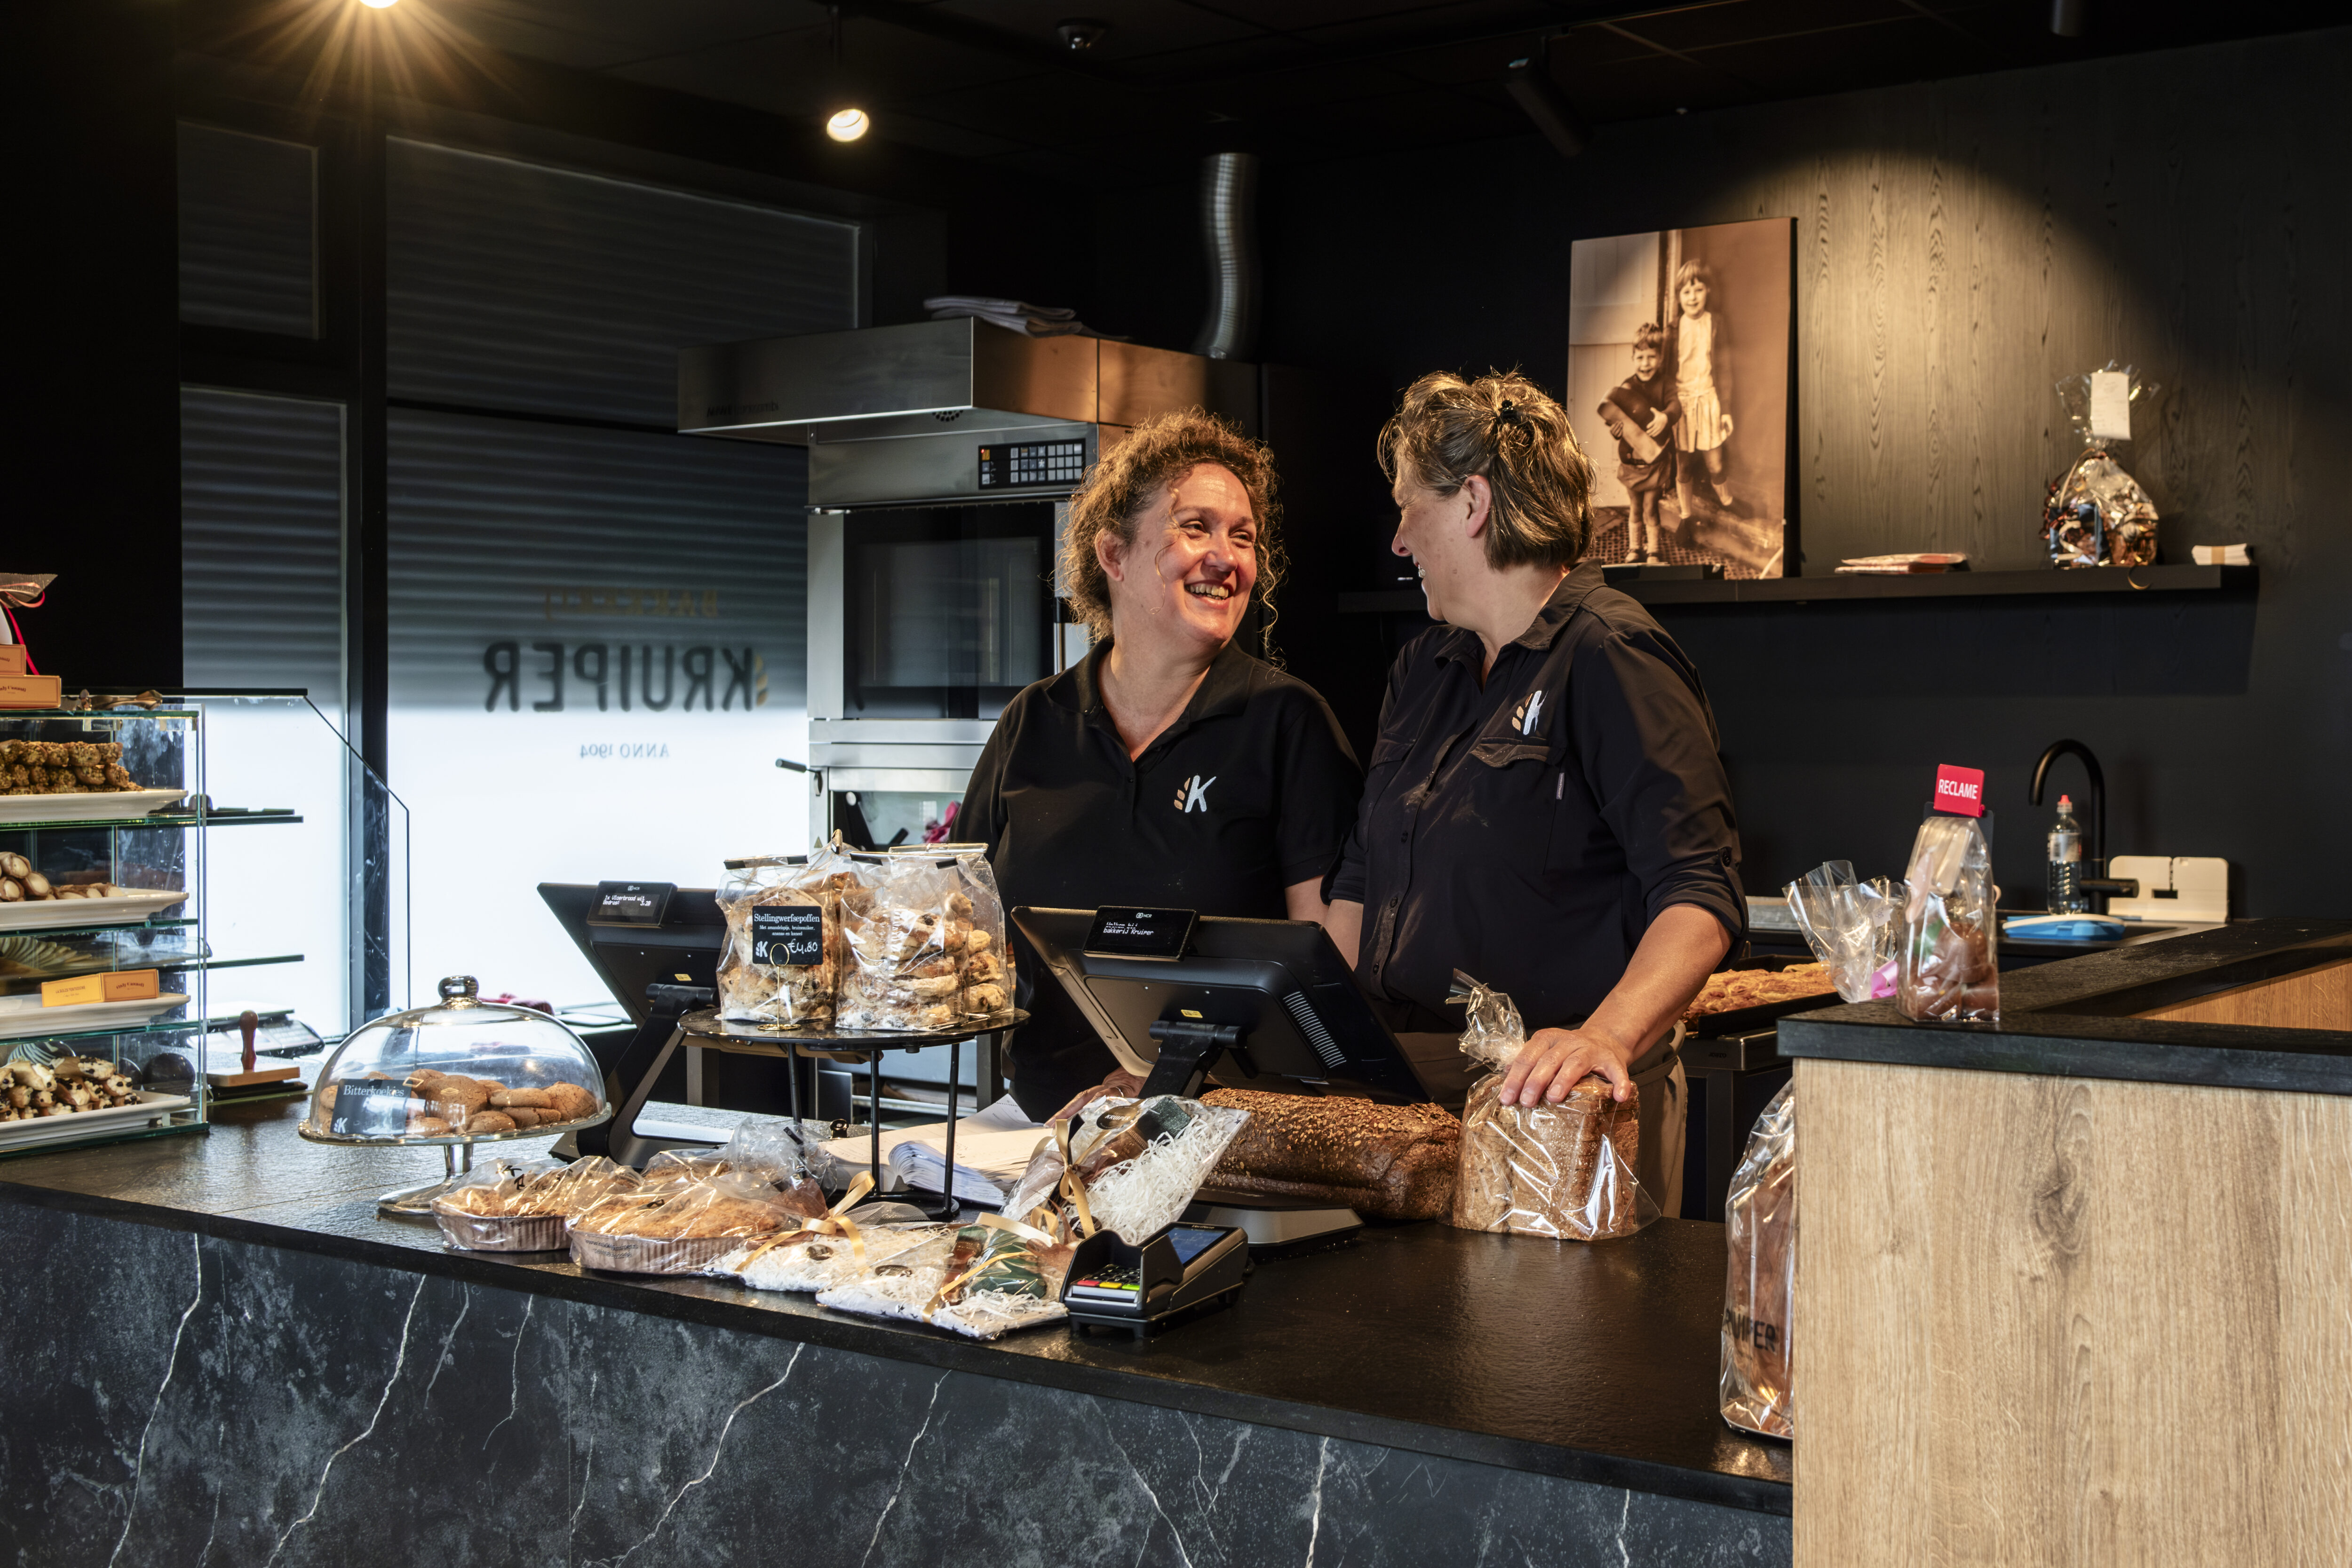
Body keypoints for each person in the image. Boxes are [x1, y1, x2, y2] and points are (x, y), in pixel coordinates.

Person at [1325, 370, 1743, 1216]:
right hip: (1406, 1097)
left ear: (1473, 503)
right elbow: (1362, 876)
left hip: (1559, 1103)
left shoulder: (1612, 652)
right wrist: (1308, 1030)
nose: (1399, 540)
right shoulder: (1424, 667)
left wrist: (1603, 1035)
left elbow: (1700, 893)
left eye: (1409, 507)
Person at [961, 409, 1362, 1122]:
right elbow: (964, 930)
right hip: (1037, 1132)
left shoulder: (1287, 723)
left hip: (1214, 1136)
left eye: (1243, 536)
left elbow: (1322, 978)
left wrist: (1164, 1076)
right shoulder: (1034, 721)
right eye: (1195, 528)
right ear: (1113, 554)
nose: (1226, 557)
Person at [1597, 322, 1679, 564]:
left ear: (1660, 358)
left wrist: (1665, 417)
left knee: (1650, 507)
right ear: (1633, 358)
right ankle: (1635, 548)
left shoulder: (1666, 384)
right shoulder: (1627, 386)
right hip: (1632, 461)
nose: (1646, 364)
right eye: (1640, 357)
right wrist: (1616, 431)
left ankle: (1654, 551)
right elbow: (1616, 419)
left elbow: (1676, 406)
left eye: (1651, 357)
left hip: (1655, 460)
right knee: (1635, 506)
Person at [1666, 259, 1737, 515]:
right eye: (1686, 292)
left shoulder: (1716, 323)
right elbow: (1666, 376)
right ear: (1679, 296)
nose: (1693, 297)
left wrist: (1725, 410)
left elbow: (1725, 369)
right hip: (1682, 405)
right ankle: (1686, 516)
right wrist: (1668, 410)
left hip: (1709, 401)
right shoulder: (1674, 330)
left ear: (1708, 290)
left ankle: (1728, 502)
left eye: (1698, 290)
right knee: (1684, 466)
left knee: (1715, 464)